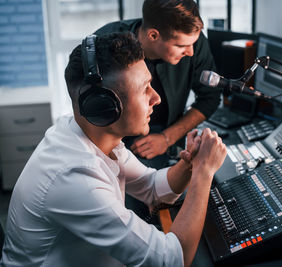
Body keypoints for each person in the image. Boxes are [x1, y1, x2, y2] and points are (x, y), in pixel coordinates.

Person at [0, 32, 226, 267]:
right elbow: (171, 260)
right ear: (104, 107)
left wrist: (190, 165)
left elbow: (152, 188)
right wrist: (203, 172)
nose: (156, 98)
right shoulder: (75, 177)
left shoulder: (88, 135)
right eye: (144, 89)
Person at [95, 0, 221, 167]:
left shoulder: (193, 40)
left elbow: (210, 98)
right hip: (114, 141)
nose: (191, 52)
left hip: (165, 135)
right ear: (153, 35)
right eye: (181, 46)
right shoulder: (103, 42)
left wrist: (167, 138)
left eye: (193, 44)